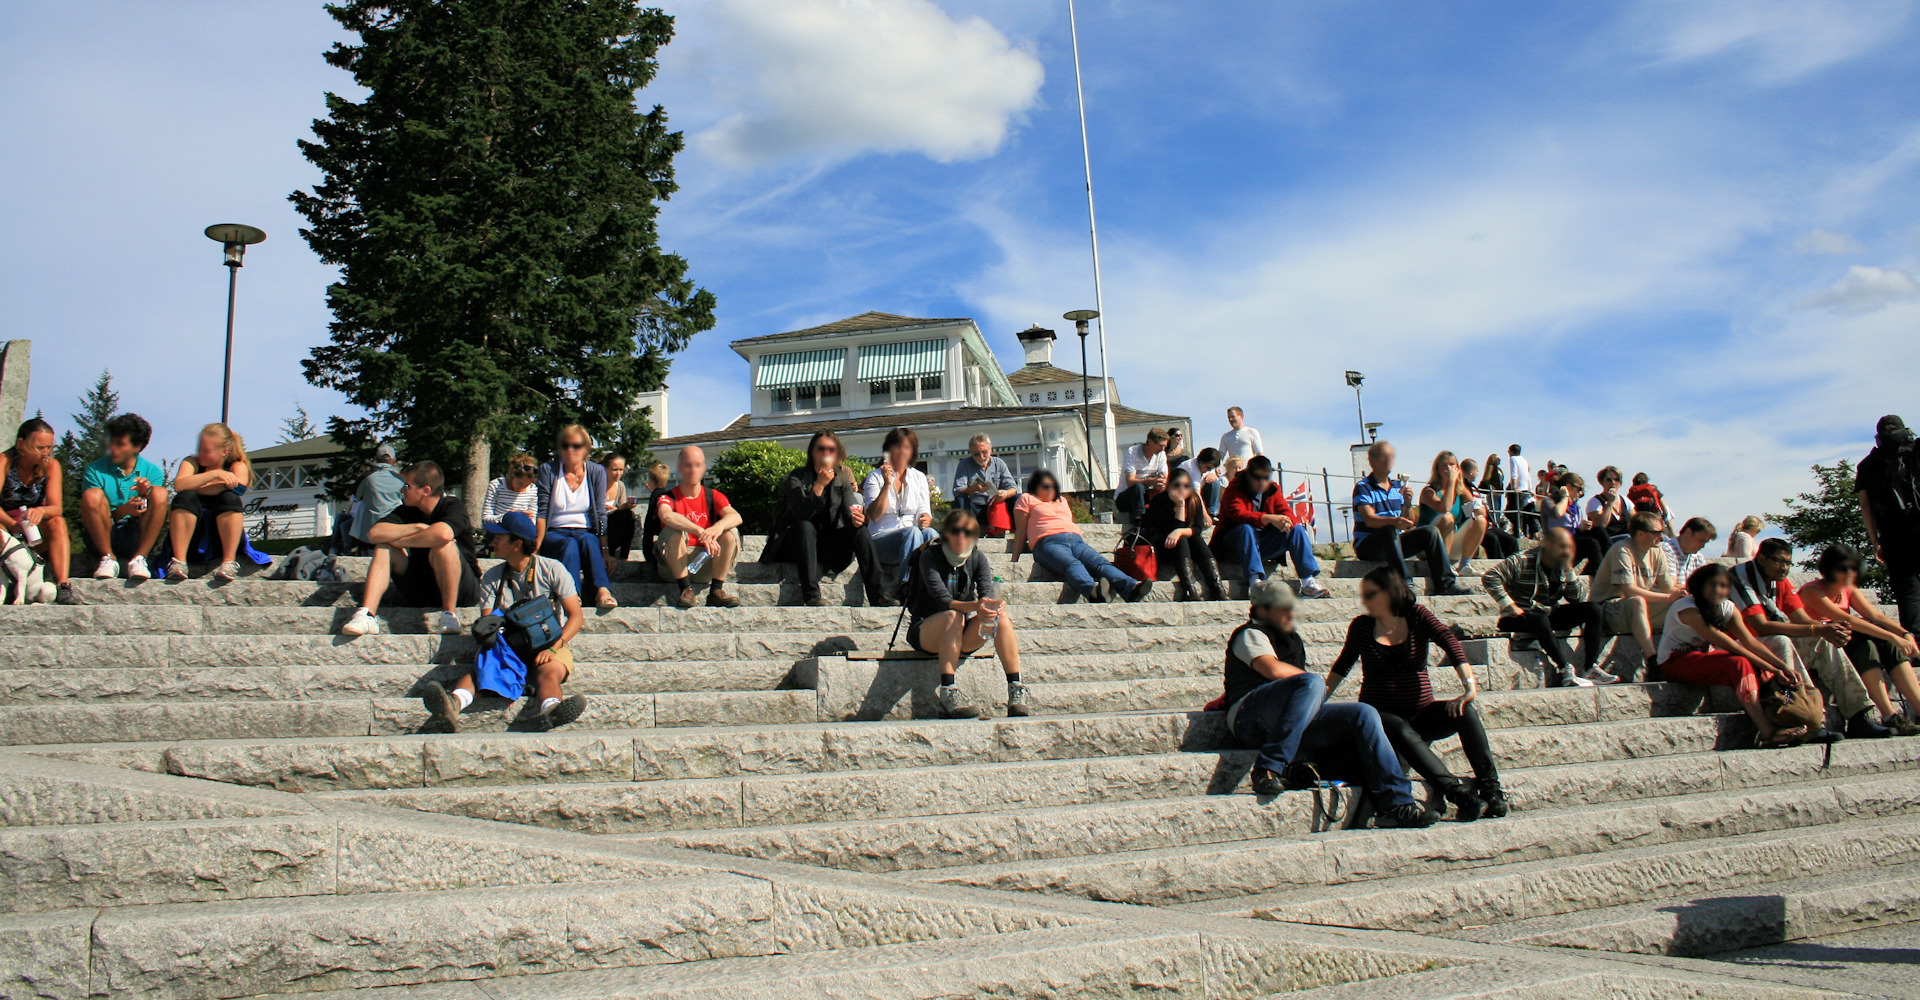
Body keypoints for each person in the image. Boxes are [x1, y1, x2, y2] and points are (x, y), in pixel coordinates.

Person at [1222, 579, 1436, 828]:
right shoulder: (1249, 634)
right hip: (1248, 717)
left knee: (1363, 713)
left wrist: (1313, 693)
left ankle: (1396, 805)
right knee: (1311, 682)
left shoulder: (1292, 638)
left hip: (1287, 720)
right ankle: (1267, 768)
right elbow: (1272, 669)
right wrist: (1315, 688)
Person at [1328, 567, 1505, 822]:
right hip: (1382, 719)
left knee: (1465, 712)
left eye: (1370, 594)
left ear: (1389, 593)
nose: (1364, 601)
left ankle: (1493, 792)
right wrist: (1317, 701)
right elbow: (1342, 666)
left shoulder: (1416, 615)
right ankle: (1457, 793)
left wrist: (1469, 686)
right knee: (1398, 727)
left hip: (1421, 713)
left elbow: (1449, 640)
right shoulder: (1362, 626)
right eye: (1363, 595)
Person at [417, 511, 587, 733]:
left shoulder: (553, 569)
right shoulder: (492, 577)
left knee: (550, 671)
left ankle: (552, 709)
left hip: (549, 643)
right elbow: (489, 624)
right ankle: (452, 704)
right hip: (507, 646)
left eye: (499, 537)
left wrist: (555, 648)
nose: (492, 541)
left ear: (516, 543)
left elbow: (576, 615)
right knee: (484, 669)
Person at [1731, 539, 1888, 739]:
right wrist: (1818, 629)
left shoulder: (1780, 581)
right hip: (1741, 646)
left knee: (1821, 638)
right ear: (1761, 558)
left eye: (1788, 563)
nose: (1785, 568)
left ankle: (1859, 715)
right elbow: (1760, 626)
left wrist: (1827, 630)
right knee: (1783, 641)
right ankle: (1806, 720)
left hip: (1768, 644)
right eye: (1779, 562)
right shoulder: (1740, 577)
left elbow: (1803, 620)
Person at [1658, 563, 1807, 748]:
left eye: (1723, 585)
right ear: (1700, 585)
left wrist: (1783, 668)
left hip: (1705, 658)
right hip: (1674, 661)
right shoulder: (1686, 607)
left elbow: (1749, 641)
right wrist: (1773, 669)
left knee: (1753, 664)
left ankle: (1783, 719)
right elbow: (1725, 643)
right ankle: (1768, 732)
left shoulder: (1728, 607)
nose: (1718, 590)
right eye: (1712, 584)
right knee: (1739, 663)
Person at [905, 509, 1025, 720]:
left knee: (1000, 617)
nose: (962, 536)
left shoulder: (977, 557)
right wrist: (977, 606)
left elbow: (986, 591)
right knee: (953, 615)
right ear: (946, 534)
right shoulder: (930, 557)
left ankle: (1016, 688)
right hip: (927, 630)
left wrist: (992, 606)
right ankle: (948, 691)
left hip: (960, 634)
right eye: (956, 530)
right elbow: (943, 600)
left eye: (968, 532)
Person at [341, 461, 482, 636]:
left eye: (407, 486)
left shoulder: (452, 506)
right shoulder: (407, 511)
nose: (402, 491)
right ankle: (367, 614)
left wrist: (401, 541)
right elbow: (375, 533)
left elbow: (443, 534)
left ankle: (449, 615)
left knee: (444, 545)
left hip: (463, 590)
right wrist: (417, 528)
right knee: (384, 546)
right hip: (421, 589)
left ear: (426, 490)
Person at [1798, 544, 1920, 736]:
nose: (1850, 573)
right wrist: (1892, 636)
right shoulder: (1811, 591)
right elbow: (1846, 619)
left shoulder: (1848, 589)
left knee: (1888, 645)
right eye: (1843, 568)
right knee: (1867, 644)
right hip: (1821, 646)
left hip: (1846, 640)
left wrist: (1904, 634)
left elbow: (1875, 615)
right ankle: (1890, 716)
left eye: (1853, 568)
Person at [762, 431, 887, 607]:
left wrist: (858, 519)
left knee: (859, 530)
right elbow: (800, 514)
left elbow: (848, 511)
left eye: (831, 449)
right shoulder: (796, 477)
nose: (826, 454)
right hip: (796, 544)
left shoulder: (841, 478)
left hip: (827, 545)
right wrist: (819, 485)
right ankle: (811, 595)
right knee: (805, 526)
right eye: (821, 449)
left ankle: (879, 595)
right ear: (812, 452)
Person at [1485, 527, 1602, 689]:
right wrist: (1509, 605)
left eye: (1569, 546)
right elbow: (1490, 577)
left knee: (1593, 609)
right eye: (1562, 546)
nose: (1567, 551)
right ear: (1547, 544)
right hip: (1518, 617)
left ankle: (1591, 668)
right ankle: (1564, 669)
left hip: (1548, 615)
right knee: (1537, 617)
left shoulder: (1562, 564)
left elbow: (1576, 599)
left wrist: (1569, 571)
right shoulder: (1523, 560)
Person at [1351, 441, 1470, 597]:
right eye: (1383, 456)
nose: (1389, 459)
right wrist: (1394, 521)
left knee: (1431, 532)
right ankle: (1404, 583)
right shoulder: (1363, 487)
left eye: (1391, 456)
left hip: (1393, 540)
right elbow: (1370, 520)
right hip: (1369, 545)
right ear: (1372, 461)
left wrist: (1407, 504)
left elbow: (1409, 521)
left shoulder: (1396, 487)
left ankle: (1446, 583)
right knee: (1389, 528)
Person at [1013, 468, 1149, 603]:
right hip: (1047, 542)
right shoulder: (1026, 499)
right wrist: (1014, 560)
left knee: (1100, 563)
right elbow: (1020, 530)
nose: (1051, 489)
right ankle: (1093, 592)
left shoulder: (1062, 500)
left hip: (1076, 540)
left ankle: (1131, 589)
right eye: (1046, 486)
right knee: (1072, 563)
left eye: (1053, 486)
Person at [1214, 455, 1330, 598]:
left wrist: (1286, 521)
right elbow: (1238, 514)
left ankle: (1308, 582)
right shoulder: (1234, 488)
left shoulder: (1273, 489)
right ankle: (1255, 582)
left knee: (1297, 529)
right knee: (1245, 528)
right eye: (1257, 478)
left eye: (1266, 477)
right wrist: (1267, 518)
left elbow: (1286, 511)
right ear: (1248, 475)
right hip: (1235, 545)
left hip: (1261, 544)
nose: (1262, 482)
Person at [1590, 513, 1684, 684]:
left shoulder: (1657, 552)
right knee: (1638, 601)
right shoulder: (1622, 549)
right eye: (1656, 532)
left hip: (1634, 610)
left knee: (1684, 604)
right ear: (1641, 533)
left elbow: (1668, 587)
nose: (1661, 537)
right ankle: (1653, 662)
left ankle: (1682, 655)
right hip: (1608, 609)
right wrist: (1669, 597)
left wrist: (1687, 592)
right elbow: (1629, 590)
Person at [535, 425, 617, 611]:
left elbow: (600, 513)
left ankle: (602, 590)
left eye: (576, 446)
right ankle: (572, 595)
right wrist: (537, 547)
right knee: (569, 545)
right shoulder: (549, 470)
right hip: (555, 531)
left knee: (589, 541)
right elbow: (542, 510)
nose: (570, 450)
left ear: (586, 448)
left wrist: (605, 550)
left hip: (585, 530)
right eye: (565, 446)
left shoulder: (596, 472)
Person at [80, 414, 168, 583]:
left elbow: (153, 516)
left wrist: (145, 496)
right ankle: (108, 558)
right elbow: (91, 514)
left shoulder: (152, 471)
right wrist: (122, 511)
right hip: (103, 535)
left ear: (137, 447)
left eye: (120, 444)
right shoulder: (95, 470)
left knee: (160, 494)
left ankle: (140, 558)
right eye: (112, 441)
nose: (113, 448)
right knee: (92, 495)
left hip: (135, 535)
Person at [653, 445, 741, 609]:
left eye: (697, 465)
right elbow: (666, 515)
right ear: (679, 468)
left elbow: (736, 516)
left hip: (707, 563)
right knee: (673, 530)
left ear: (704, 468)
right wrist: (700, 531)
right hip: (673, 566)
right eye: (688, 465)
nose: (693, 470)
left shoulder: (713, 495)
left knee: (730, 532)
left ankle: (716, 591)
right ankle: (685, 590)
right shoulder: (667, 497)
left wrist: (718, 527)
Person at [164, 423, 252, 581]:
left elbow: (238, 488)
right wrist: (215, 475)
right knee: (185, 497)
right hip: (191, 537)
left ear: (224, 451)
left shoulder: (237, 466)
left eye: (207, 451)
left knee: (229, 498)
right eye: (200, 449)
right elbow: (179, 485)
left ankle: (228, 562)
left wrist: (196, 484)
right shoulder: (192, 461)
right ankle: (179, 562)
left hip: (220, 538)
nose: (201, 454)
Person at [1858, 414, 1920, 633]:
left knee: (1908, 591)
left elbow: (1865, 505)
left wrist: (1876, 541)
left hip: (1893, 535)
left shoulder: (1867, 464)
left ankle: (1917, 644)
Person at [0, 419, 70, 603]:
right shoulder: (4, 462)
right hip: (7, 526)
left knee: (58, 522)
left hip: (33, 529)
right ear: (21, 444)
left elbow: (56, 507)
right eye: (39, 447)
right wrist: (13, 526)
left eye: (49, 447)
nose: (45, 453)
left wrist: (42, 511)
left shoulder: (51, 465)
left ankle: (63, 584)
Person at [863, 427, 938, 597]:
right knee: (912, 533)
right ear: (889, 449)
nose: (902, 451)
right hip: (881, 540)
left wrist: (925, 518)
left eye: (907, 447)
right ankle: (905, 585)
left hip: (911, 537)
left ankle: (935, 584)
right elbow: (874, 515)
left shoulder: (918, 477)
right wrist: (887, 484)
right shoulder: (874, 477)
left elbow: (923, 508)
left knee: (932, 534)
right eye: (898, 446)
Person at [1142, 467, 1225, 602]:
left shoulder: (1194, 499)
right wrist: (1180, 506)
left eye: (1186, 486)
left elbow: (1197, 528)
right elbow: (1165, 530)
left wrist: (1179, 531)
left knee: (1196, 539)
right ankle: (1189, 589)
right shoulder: (1159, 501)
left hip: (1186, 546)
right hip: (1165, 546)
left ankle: (1217, 588)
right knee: (1182, 540)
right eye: (1177, 485)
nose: (1182, 489)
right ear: (1169, 485)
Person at [1417, 451, 1488, 576]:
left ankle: (1465, 565)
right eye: (1445, 465)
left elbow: (1480, 510)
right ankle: (1443, 567)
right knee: (1447, 517)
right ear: (1437, 469)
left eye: (1452, 464)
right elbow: (1445, 507)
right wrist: (1450, 482)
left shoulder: (1461, 491)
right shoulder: (1428, 491)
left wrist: (1474, 508)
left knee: (1480, 520)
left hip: (1450, 543)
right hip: (1427, 546)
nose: (1449, 469)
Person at [349, 443, 407, 556]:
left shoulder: (367, 478)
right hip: (394, 530)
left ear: (376, 459)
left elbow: (357, 497)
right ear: (394, 460)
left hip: (369, 531)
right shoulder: (402, 479)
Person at [951, 434, 1018, 532]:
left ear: (991, 450)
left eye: (984, 452)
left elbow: (1013, 488)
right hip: (974, 507)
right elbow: (957, 490)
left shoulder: (999, 463)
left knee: (1018, 498)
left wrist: (1005, 493)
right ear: (971, 453)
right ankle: (964, 533)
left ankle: (1019, 532)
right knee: (960, 499)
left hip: (995, 507)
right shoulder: (964, 464)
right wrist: (974, 488)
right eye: (976, 454)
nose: (981, 457)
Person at [1459, 458, 1518, 560]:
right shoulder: (1462, 487)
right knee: (1492, 540)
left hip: (1487, 524)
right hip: (1473, 525)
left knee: (1511, 541)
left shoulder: (1472, 487)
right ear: (1471, 472)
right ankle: (1497, 568)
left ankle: (1515, 567)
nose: (1477, 474)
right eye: (1477, 471)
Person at [1545, 471, 1600, 575]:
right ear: (1568, 487)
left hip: (1573, 539)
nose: (1580, 493)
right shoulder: (1550, 501)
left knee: (1599, 531)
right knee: (1592, 544)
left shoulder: (1576, 507)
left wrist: (1582, 527)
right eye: (1579, 489)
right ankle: (1594, 575)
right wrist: (1565, 497)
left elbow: (1575, 527)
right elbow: (1557, 513)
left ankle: (1612, 564)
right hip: (1559, 542)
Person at [1115, 428, 1170, 522]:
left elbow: (1165, 477)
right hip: (1125, 497)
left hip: (1146, 495)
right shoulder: (1132, 452)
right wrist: (1151, 481)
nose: (1162, 449)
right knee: (1138, 487)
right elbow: (1130, 482)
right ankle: (1139, 519)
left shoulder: (1161, 455)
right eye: (1160, 446)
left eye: (1164, 446)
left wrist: (1161, 481)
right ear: (1150, 442)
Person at [480, 453, 541, 527]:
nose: (521, 487)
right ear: (512, 474)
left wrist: (526, 519)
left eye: (526, 485)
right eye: (520, 483)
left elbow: (533, 519)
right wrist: (509, 517)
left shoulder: (532, 489)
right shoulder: (496, 485)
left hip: (520, 530)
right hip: (498, 529)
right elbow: (486, 518)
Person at [601, 453, 639, 560]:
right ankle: (611, 554)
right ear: (605, 469)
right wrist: (618, 510)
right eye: (614, 470)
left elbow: (620, 508)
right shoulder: (598, 485)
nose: (618, 473)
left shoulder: (620, 485)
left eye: (621, 470)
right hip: (602, 523)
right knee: (621, 516)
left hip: (616, 520)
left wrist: (627, 506)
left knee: (629, 515)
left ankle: (623, 556)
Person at [1662, 517, 1718, 586]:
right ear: (1688, 532)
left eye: (1705, 542)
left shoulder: (1698, 558)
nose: (1703, 546)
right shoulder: (1666, 550)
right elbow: (1670, 586)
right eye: (1701, 540)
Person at [638, 461, 672, 571]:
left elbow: (649, 521)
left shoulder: (655, 495)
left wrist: (646, 550)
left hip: (654, 531)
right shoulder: (667, 494)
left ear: (651, 480)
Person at [1180, 447, 1225, 519]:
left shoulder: (1204, 467)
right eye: (1207, 468)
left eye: (1210, 469)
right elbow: (1196, 494)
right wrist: (1205, 515)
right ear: (1200, 461)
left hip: (1193, 491)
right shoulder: (1192, 468)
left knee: (1214, 482)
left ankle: (1212, 513)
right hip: (1182, 495)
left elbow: (1211, 474)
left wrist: (1212, 473)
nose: (1208, 470)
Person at [1627, 472, 1674, 538]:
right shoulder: (1653, 489)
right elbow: (1665, 510)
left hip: (1640, 523)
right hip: (1655, 519)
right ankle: (1674, 537)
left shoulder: (1631, 493)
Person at [1504, 444, 1533, 537]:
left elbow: (1514, 473)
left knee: (1510, 511)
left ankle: (1517, 531)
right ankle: (1521, 531)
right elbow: (1527, 475)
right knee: (1520, 512)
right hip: (1525, 488)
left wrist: (1514, 487)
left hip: (1518, 489)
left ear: (1512, 451)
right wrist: (1530, 488)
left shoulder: (1513, 459)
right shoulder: (1524, 460)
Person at [1476, 453, 1506, 523]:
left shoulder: (1499, 469)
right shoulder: (1491, 467)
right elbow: (1487, 478)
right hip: (1493, 493)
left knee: (1498, 510)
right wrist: (1492, 487)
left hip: (1498, 493)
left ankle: (1497, 523)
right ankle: (1494, 523)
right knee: (1494, 509)